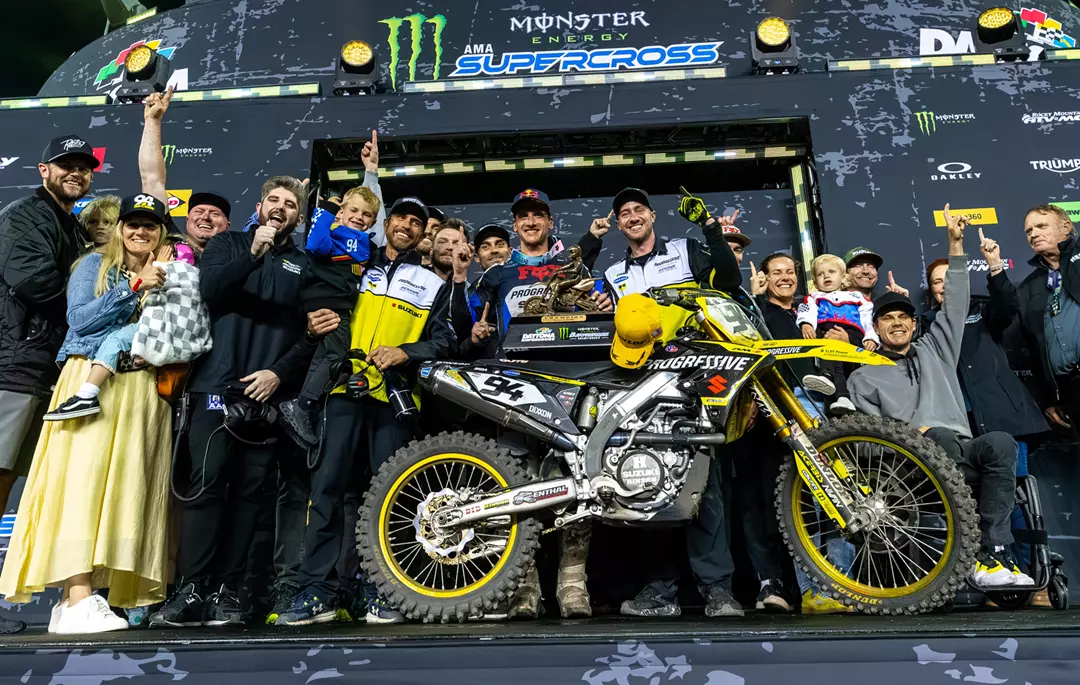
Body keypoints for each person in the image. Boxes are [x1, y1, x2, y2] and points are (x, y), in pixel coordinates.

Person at [275, 196, 456, 626]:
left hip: (393, 399)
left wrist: (406, 352)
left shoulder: (433, 282)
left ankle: (384, 590)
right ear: (386, 223)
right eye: (401, 218)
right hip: (341, 389)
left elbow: (446, 342)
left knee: (390, 497)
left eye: (417, 222)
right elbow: (314, 288)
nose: (407, 226)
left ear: (421, 233)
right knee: (328, 493)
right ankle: (318, 591)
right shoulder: (354, 259)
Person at [0, 194, 175, 634]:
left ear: (161, 234)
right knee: (82, 487)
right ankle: (77, 594)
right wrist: (134, 287)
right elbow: (79, 321)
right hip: (92, 385)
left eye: (150, 226)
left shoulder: (169, 274)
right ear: (119, 229)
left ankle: (75, 603)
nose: (140, 232)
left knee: (120, 493)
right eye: (132, 225)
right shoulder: (91, 267)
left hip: (141, 390)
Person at [151, 176, 317, 628]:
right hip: (215, 387)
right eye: (274, 201)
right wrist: (253, 253)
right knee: (206, 489)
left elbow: (314, 332)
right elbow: (210, 291)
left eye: (290, 203)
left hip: (268, 396)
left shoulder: (305, 264)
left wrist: (279, 373)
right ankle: (192, 589)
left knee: (250, 497)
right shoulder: (227, 244)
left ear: (298, 217)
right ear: (261, 207)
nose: (281, 208)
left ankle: (229, 590)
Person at [848, 205, 1032, 589]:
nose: (897, 324)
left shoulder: (937, 349)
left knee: (999, 442)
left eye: (904, 318)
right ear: (877, 327)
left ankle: (993, 554)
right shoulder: (863, 376)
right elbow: (868, 439)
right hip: (913, 464)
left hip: (964, 451)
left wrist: (955, 242)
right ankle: (976, 553)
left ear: (915, 324)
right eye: (888, 319)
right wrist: (917, 434)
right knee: (941, 437)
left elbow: (956, 300)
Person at [598, 188, 743, 618]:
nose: (632, 217)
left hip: (695, 377)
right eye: (623, 213)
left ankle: (718, 589)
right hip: (639, 382)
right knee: (648, 479)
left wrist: (711, 227)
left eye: (638, 209)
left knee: (704, 483)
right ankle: (659, 592)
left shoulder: (685, 250)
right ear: (619, 225)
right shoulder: (612, 274)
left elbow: (730, 283)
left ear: (652, 215)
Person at [0, 134, 98, 634]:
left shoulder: (73, 228)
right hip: (13, 366)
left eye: (84, 168)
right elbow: (32, 280)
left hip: (46, 371)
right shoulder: (25, 215)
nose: (76, 174)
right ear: (44, 170)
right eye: (66, 166)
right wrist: (95, 305)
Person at [746, 253, 853, 614]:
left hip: (828, 410)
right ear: (764, 278)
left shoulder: (815, 310)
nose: (785, 278)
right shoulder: (760, 313)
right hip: (783, 413)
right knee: (799, 503)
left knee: (838, 496)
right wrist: (756, 299)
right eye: (776, 272)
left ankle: (841, 584)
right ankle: (809, 589)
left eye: (790, 272)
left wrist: (847, 339)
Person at [276, 188, 381, 448]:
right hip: (330, 304)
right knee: (338, 357)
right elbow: (315, 244)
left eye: (367, 214)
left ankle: (301, 404)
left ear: (374, 221)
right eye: (353, 210)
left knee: (323, 357)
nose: (359, 217)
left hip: (338, 303)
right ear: (342, 212)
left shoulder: (363, 240)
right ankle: (303, 406)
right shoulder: (336, 234)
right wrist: (327, 210)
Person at [923, 230, 1048, 442]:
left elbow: (1008, 306)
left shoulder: (982, 310)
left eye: (950, 278)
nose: (945, 286)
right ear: (932, 289)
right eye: (937, 281)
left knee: (1013, 474)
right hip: (959, 419)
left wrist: (995, 265)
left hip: (1002, 415)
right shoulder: (927, 322)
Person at [138, 88, 232, 256]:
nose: (206, 217)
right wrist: (153, 121)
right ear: (187, 220)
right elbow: (152, 179)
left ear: (227, 225)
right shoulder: (170, 244)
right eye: (198, 211)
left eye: (215, 213)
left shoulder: (238, 257)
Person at [1014, 204, 1080, 431]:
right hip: (1071, 386)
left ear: (1066, 227)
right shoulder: (1029, 286)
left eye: (1041, 226)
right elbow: (1033, 347)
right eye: (1029, 231)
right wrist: (1049, 398)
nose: (1034, 233)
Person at [796, 253, 879, 415]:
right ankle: (831, 383)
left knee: (841, 367)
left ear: (843, 278)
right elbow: (807, 312)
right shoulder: (814, 297)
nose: (826, 276)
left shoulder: (857, 298)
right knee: (834, 364)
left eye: (831, 272)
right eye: (820, 274)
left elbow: (869, 320)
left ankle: (840, 393)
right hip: (825, 333)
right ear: (815, 282)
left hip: (850, 333)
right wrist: (806, 325)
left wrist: (871, 338)